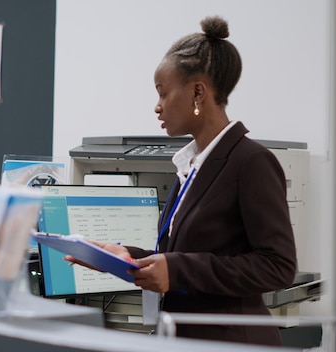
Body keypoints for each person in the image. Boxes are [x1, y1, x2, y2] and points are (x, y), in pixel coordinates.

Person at [66, 16, 296, 346]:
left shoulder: (251, 162)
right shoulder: (192, 165)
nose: (157, 107)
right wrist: (124, 257)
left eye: (163, 93)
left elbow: (278, 266)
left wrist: (176, 270)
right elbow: (182, 256)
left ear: (197, 92)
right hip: (188, 339)